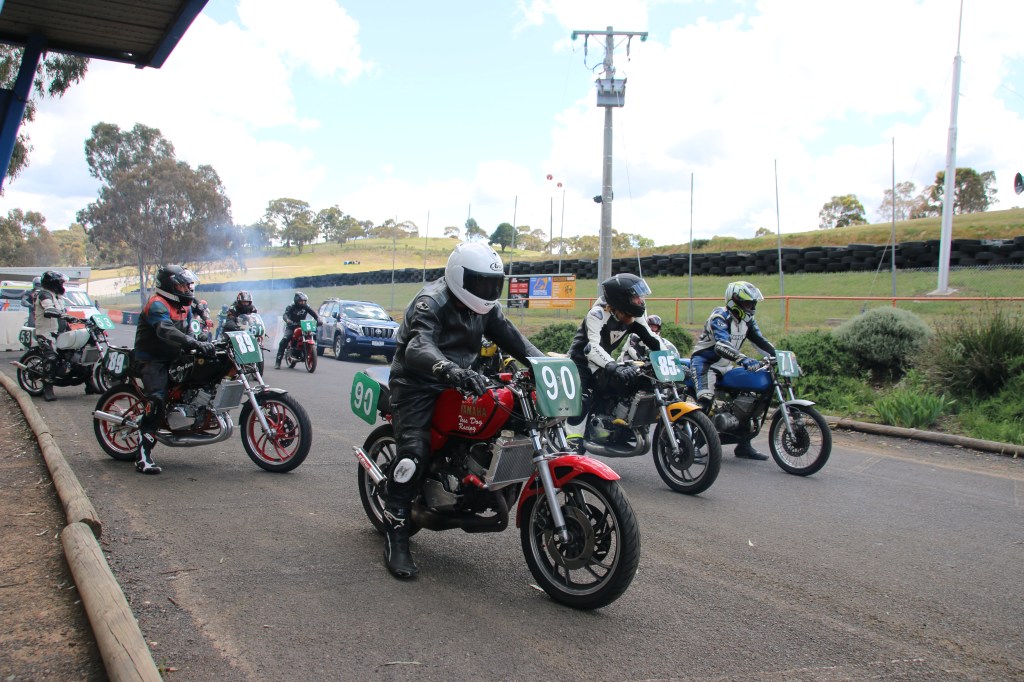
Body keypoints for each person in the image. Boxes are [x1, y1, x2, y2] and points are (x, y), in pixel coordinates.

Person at [382, 242, 544, 579]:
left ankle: (478, 480)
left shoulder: (486, 309)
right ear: (459, 277)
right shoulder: (431, 301)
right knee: (414, 453)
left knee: (511, 419)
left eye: (493, 284)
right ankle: (396, 533)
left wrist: (547, 365)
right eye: (480, 282)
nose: (487, 291)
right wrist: (447, 369)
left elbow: (516, 341)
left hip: (462, 380)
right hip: (417, 383)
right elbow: (418, 345)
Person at [133, 265, 216, 474]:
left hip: (175, 355)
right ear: (170, 286)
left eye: (189, 285)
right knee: (157, 399)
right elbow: (166, 330)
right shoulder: (157, 304)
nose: (188, 289)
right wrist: (192, 342)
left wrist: (200, 340)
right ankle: (143, 456)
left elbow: (189, 330)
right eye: (183, 285)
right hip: (153, 359)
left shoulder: (184, 306)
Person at [690, 280, 776, 461]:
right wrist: (743, 359)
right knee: (705, 402)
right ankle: (693, 445)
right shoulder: (719, 317)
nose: (751, 307)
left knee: (747, 401)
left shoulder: (747, 321)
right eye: (747, 303)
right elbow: (722, 345)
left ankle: (744, 445)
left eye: (752, 303)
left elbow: (760, 342)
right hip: (706, 364)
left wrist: (779, 357)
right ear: (734, 301)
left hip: (727, 366)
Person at [567, 273, 665, 432]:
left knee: (628, 385)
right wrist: (614, 366)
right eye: (636, 297)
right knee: (582, 402)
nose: (641, 301)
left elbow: (653, 339)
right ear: (621, 298)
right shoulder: (597, 314)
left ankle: (617, 426)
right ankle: (572, 439)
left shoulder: (633, 317)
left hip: (603, 362)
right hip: (580, 362)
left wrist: (671, 360)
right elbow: (592, 348)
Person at [33, 271, 74, 401]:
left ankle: (89, 383)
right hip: (46, 334)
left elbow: (64, 313)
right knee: (51, 357)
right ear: (53, 284)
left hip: (60, 332)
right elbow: (49, 309)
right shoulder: (44, 295)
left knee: (78, 352)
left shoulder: (58, 297)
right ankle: (48, 388)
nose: (62, 285)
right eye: (60, 283)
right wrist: (62, 315)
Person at [275, 292, 320, 369]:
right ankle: (278, 361)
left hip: (303, 325)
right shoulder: (291, 306)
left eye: (304, 301)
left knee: (311, 335)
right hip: (291, 326)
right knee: (285, 340)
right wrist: (288, 320)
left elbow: (314, 313)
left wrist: (318, 319)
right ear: (296, 301)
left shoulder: (306, 306)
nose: (303, 303)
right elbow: (285, 315)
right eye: (301, 301)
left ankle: (306, 350)